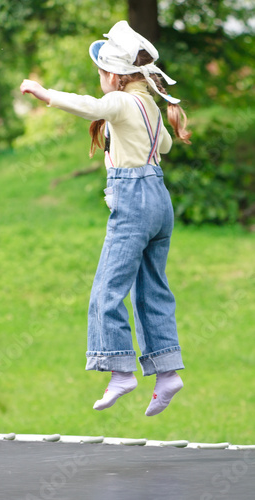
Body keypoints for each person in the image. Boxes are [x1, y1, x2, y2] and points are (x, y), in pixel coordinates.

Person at [20, 20, 191, 417]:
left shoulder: (120, 101)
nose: (99, 79)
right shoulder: (148, 104)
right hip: (159, 202)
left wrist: (46, 95)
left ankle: (119, 369)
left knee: (107, 289)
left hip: (132, 202)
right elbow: (163, 143)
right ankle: (167, 373)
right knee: (153, 290)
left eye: (100, 73)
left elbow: (92, 106)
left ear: (114, 75)